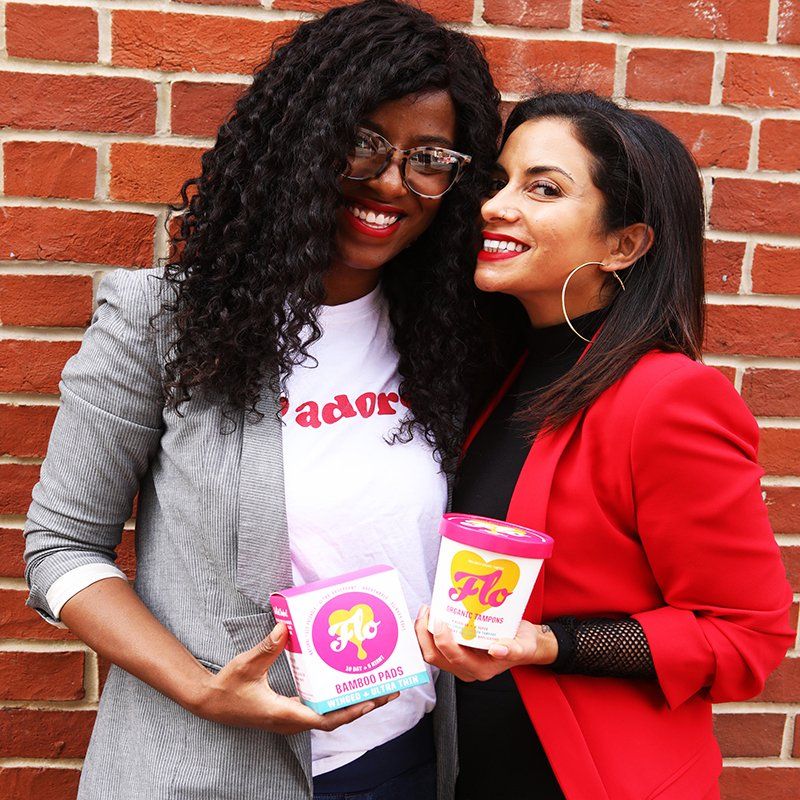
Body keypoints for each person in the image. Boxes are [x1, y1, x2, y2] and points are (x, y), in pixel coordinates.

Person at [22, 2, 501, 798]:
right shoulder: (167, 321)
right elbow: (61, 549)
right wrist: (201, 689)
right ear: (301, 141)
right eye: (363, 141)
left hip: (400, 764)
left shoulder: (455, 343)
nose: (390, 181)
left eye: (429, 157)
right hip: (204, 767)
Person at [415, 92, 794, 800]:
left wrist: (549, 642)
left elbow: (745, 636)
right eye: (499, 181)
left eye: (544, 188)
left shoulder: (667, 399)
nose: (495, 205)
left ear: (624, 244)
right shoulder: (508, 376)